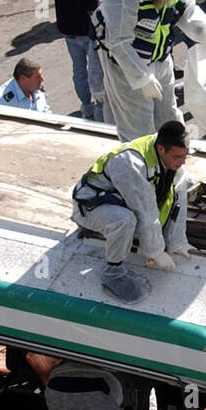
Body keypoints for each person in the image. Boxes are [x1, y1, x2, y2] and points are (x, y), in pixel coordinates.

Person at [93, 0, 206, 141]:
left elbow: (187, 12)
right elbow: (118, 41)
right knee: (139, 126)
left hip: (159, 55)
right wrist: (142, 78)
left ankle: (174, 164)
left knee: (169, 116)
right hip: (125, 62)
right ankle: (143, 168)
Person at [72, 118, 193, 303]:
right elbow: (145, 210)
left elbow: (175, 194)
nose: (182, 161)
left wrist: (177, 242)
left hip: (121, 200)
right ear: (161, 149)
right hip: (91, 207)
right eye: (178, 157)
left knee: (183, 181)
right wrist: (156, 251)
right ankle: (113, 273)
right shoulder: (129, 164)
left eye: (186, 155)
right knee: (125, 220)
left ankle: (167, 241)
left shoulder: (166, 150)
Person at [51, 0, 105, 121]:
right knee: (95, 71)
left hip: (67, 30)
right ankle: (100, 108)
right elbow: (93, 8)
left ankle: (86, 106)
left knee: (79, 69)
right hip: (86, 32)